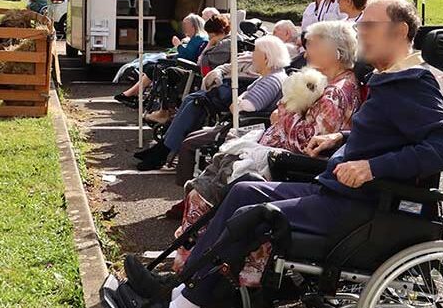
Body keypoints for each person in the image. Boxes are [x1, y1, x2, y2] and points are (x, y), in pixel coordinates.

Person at [121, 0, 443, 308]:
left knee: (252, 216)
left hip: (360, 206)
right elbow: (388, 133)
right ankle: (176, 289)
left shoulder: (413, 82)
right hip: (336, 191)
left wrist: (371, 167)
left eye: (368, 25)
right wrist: (342, 137)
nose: (360, 31)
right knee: (244, 191)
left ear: (400, 31)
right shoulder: (389, 79)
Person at [170, 20, 360, 233]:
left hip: (287, 163)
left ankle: (194, 243)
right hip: (275, 152)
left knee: (209, 185)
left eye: (313, 45)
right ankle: (194, 239)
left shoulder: (335, 93)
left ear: (334, 53)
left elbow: (309, 143)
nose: (306, 53)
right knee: (215, 170)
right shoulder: (333, 83)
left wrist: (285, 112)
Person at [134, 36, 291, 170]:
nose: (252, 56)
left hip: (247, 126)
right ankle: (162, 148)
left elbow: (245, 107)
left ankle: (162, 150)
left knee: (195, 103)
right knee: (193, 100)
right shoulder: (271, 76)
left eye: (255, 52)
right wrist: (239, 99)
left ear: (266, 57)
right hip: (242, 121)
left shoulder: (271, 80)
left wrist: (238, 100)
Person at [144, 15, 232, 124]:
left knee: (168, 72)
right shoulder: (227, 42)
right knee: (167, 71)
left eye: (210, 35)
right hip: (206, 74)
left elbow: (201, 62)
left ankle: (165, 111)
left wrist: (209, 45)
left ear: (214, 33)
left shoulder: (222, 46)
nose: (209, 38)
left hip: (204, 77)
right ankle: (166, 110)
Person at [115, 14, 207, 107]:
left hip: (186, 68)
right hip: (183, 66)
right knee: (151, 66)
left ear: (194, 26)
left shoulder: (198, 38)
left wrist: (178, 45)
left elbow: (187, 55)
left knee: (152, 68)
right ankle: (134, 92)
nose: (183, 27)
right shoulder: (196, 38)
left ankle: (133, 93)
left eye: (186, 25)